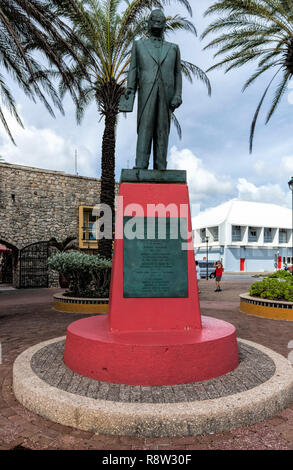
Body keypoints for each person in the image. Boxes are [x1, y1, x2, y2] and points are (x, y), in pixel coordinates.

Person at [123, 9, 182, 170]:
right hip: (146, 92)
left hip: (166, 94)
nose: (157, 23)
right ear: (148, 23)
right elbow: (133, 69)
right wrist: (130, 89)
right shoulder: (139, 45)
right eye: (154, 20)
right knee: (145, 127)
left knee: (163, 129)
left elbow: (178, 73)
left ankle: (161, 166)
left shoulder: (173, 48)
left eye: (160, 21)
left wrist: (177, 94)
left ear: (164, 25)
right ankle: (141, 165)